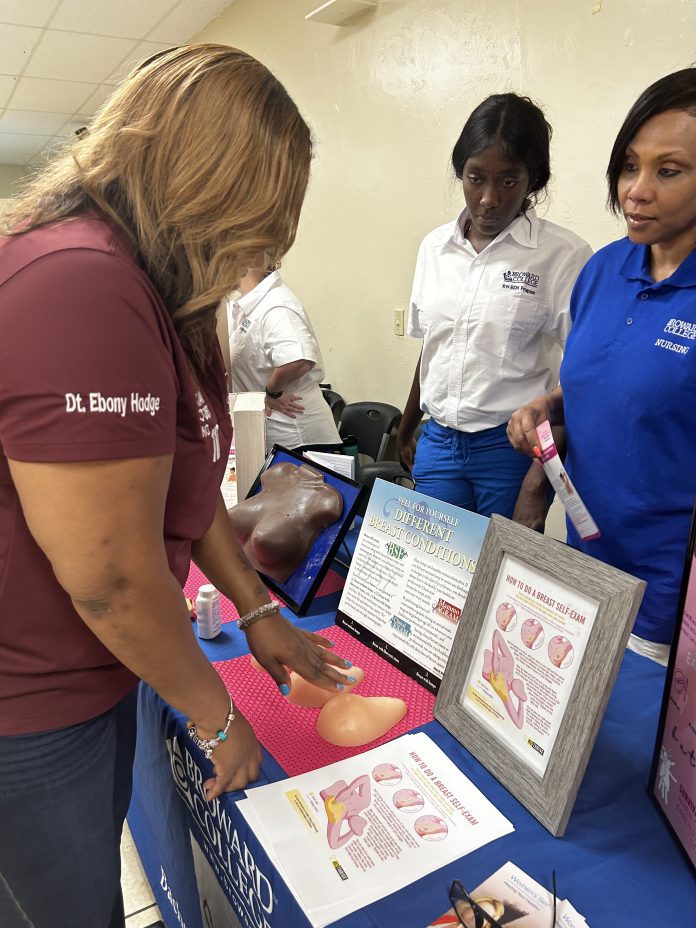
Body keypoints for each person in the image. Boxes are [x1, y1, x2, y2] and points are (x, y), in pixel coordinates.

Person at [0, 45, 352, 928]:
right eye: (262, 217)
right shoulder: (81, 284)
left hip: (94, 675)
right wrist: (215, 713)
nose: (264, 250)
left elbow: (186, 484)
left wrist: (260, 612)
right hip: (30, 700)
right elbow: (110, 575)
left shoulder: (162, 296)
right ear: (209, 186)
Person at [507, 68, 696, 663]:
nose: (636, 190)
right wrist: (551, 405)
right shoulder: (605, 268)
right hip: (584, 562)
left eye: (669, 171)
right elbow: (612, 382)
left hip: (668, 589)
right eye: (628, 166)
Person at [396, 93, 592, 519]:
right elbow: (435, 344)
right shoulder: (435, 248)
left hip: (511, 449)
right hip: (439, 443)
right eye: (475, 177)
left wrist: (539, 479)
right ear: (460, 173)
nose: (488, 199)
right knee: (435, 570)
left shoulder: (562, 254)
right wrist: (407, 426)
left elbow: (583, 375)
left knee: (500, 578)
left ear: (532, 181)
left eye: (508, 181)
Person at [226, 266, 342, 452]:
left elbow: (298, 360)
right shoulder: (245, 305)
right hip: (274, 435)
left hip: (298, 440)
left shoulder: (275, 305)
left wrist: (272, 392)